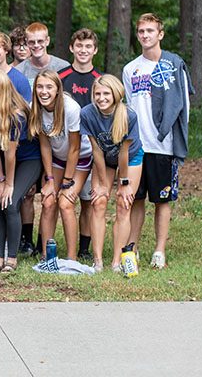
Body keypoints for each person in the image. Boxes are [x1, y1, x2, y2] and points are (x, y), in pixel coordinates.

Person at [122, 13, 191, 269]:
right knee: (136, 199)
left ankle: (159, 251)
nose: (145, 35)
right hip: (138, 146)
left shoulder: (174, 66)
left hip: (164, 145)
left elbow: (184, 107)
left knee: (162, 199)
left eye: (150, 30)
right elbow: (130, 107)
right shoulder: (131, 69)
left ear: (160, 34)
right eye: (141, 31)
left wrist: (179, 143)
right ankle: (133, 247)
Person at [0, 70, 42, 273]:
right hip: (5, 160)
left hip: (28, 160)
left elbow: (11, 154)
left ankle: (11, 258)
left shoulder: (16, 115)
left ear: (4, 91)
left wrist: (9, 184)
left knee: (11, 202)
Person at [80, 74, 144, 272]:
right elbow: (96, 150)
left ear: (116, 94)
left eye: (106, 93)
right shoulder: (87, 113)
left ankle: (117, 261)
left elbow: (124, 152)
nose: (101, 98)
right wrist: (100, 183)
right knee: (98, 201)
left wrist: (123, 183)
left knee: (123, 204)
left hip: (130, 158)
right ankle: (98, 261)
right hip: (104, 158)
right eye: (97, 93)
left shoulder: (128, 115)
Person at [28, 71, 93, 260]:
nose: (44, 91)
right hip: (57, 159)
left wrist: (66, 182)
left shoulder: (70, 108)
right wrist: (49, 179)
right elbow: (45, 145)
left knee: (65, 203)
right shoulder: (35, 107)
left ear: (57, 90)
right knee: (48, 201)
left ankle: (72, 258)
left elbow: (75, 148)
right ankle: (48, 256)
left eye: (49, 87)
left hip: (80, 159)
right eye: (40, 87)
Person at [59, 28, 102, 259]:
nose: (83, 50)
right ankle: (44, 245)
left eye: (88, 47)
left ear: (94, 50)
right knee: (58, 200)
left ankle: (84, 249)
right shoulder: (61, 77)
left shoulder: (100, 80)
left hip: (91, 149)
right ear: (72, 48)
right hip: (63, 147)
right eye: (79, 46)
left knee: (88, 200)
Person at [15, 22, 70, 90]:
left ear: (47, 41)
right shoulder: (19, 71)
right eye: (32, 42)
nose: (36, 45)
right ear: (27, 43)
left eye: (40, 41)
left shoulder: (63, 67)